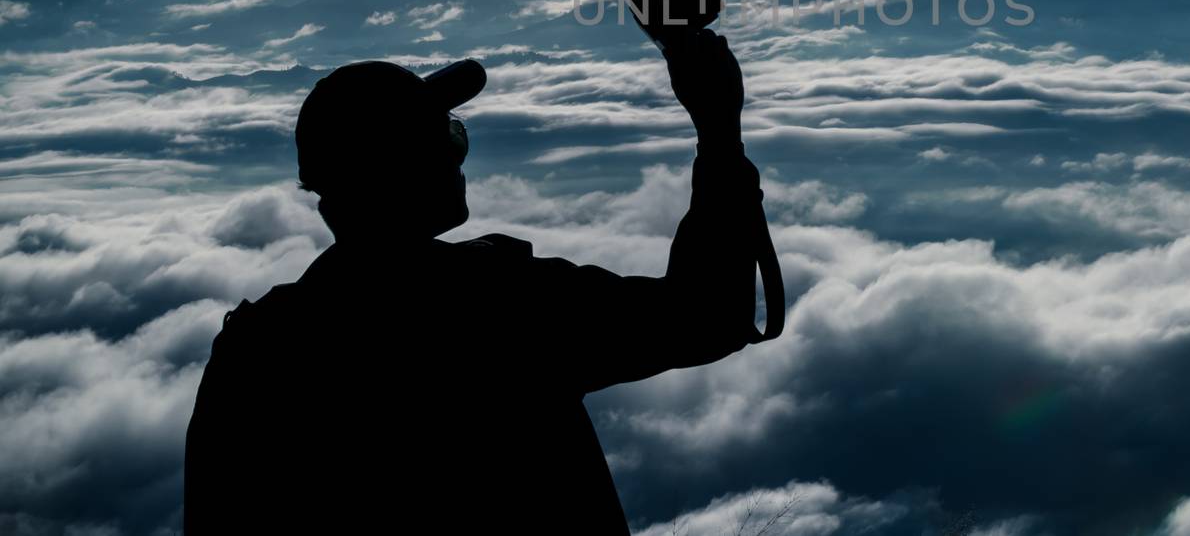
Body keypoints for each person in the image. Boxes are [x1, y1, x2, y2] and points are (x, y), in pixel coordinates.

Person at [184, 27, 774, 533]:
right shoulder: (503, 306)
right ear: (409, 169)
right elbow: (707, 317)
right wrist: (718, 130)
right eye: (445, 138)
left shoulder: (253, 349)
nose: (457, 153)